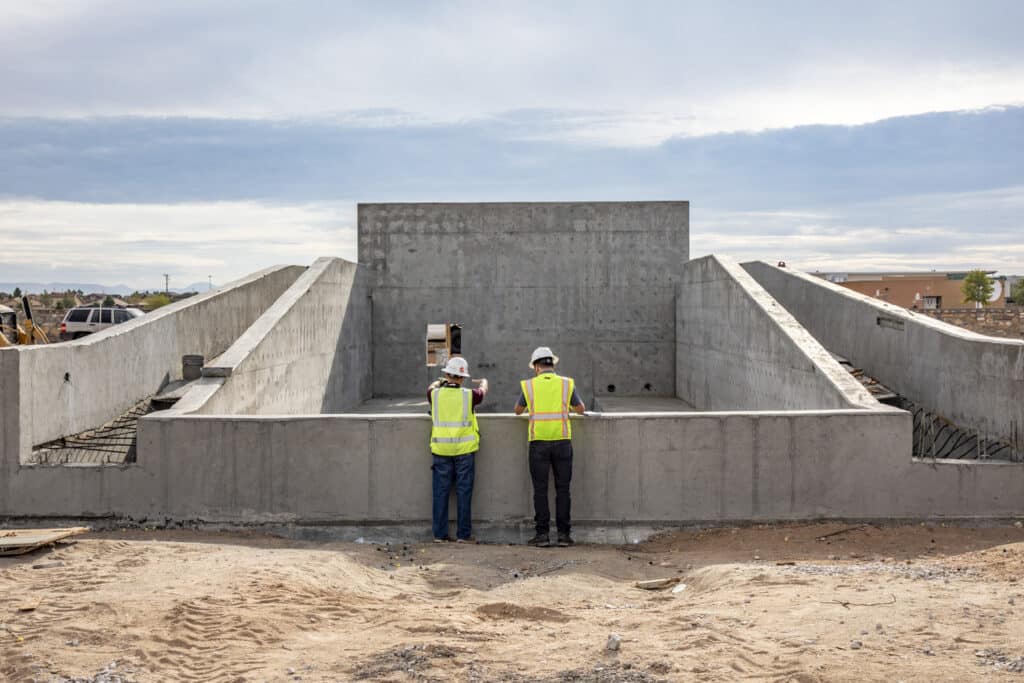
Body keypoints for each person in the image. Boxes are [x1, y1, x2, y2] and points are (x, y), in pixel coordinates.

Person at [514, 346, 585, 547]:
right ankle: (563, 535)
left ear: (536, 366)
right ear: (552, 364)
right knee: (563, 489)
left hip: (538, 443)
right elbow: (580, 409)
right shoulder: (566, 384)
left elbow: (518, 410)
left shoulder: (529, 386)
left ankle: (542, 535)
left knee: (540, 490)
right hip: (562, 441)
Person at [427, 357, 488, 543]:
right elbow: (482, 392)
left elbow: (431, 387)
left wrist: (439, 381)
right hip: (464, 451)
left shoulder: (434, 394)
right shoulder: (469, 395)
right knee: (464, 493)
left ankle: (440, 535)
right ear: (463, 378)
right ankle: (463, 535)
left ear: (446, 374)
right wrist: (484, 381)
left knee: (440, 493)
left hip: (441, 451)